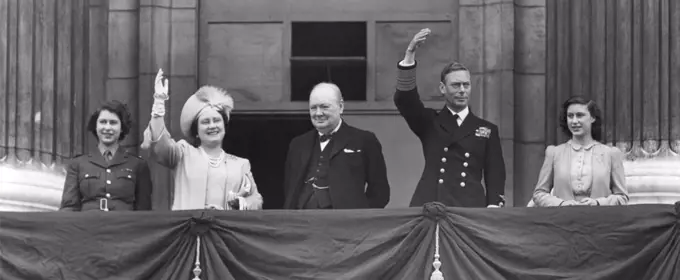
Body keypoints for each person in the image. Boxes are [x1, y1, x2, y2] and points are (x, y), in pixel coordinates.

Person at [394, 28, 506, 208]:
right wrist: (409, 56)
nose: (462, 90)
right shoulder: (430, 122)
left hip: (470, 208)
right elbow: (405, 101)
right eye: (456, 85)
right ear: (442, 88)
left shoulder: (487, 129)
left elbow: (495, 173)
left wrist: (493, 205)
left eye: (466, 85)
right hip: (432, 205)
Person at [141, 69, 262, 210]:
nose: (212, 126)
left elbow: (256, 200)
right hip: (188, 229)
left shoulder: (241, 165)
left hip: (224, 230)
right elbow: (160, 145)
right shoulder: (183, 154)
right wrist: (159, 104)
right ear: (196, 132)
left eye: (216, 120)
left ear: (224, 126)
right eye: (205, 122)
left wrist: (240, 203)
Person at [282, 82, 391, 209]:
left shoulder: (365, 140)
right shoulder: (298, 144)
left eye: (324, 107)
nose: (318, 113)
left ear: (340, 107)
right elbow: (289, 188)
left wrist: (361, 219)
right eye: (313, 108)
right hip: (302, 222)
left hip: (345, 224)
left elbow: (380, 191)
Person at [531, 97, 629, 207]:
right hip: (562, 220)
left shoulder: (611, 154)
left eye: (580, 115)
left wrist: (598, 203)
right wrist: (561, 204)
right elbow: (539, 194)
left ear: (592, 118)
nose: (574, 121)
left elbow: (622, 196)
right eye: (570, 116)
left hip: (599, 220)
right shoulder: (554, 153)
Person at [60, 101, 153, 211]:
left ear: (122, 127)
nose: (107, 127)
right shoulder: (78, 164)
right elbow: (69, 208)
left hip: (124, 226)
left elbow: (143, 212)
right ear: (95, 126)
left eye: (113, 123)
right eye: (103, 122)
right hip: (89, 226)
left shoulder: (138, 165)